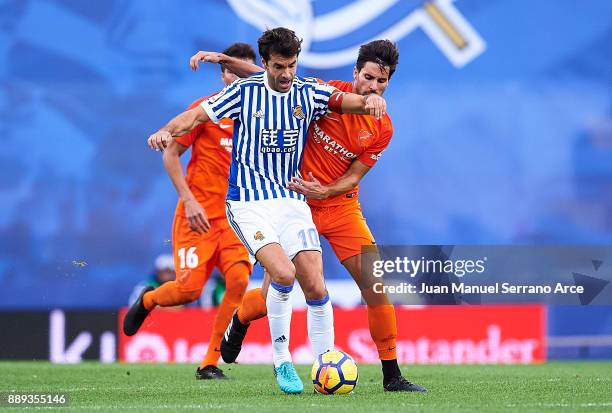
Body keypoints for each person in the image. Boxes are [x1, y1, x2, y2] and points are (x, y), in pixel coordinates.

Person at [145, 27, 388, 394]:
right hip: (248, 203)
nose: (287, 74)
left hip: (291, 202)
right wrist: (165, 130)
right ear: (265, 64)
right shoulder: (243, 93)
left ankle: (325, 363)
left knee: (317, 286)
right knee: (284, 274)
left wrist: (372, 101)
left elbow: (349, 102)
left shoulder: (308, 93)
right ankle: (283, 361)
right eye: (279, 66)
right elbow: (194, 118)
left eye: (292, 65)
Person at [190, 40, 426, 392]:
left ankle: (392, 375)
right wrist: (224, 60)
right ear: (354, 73)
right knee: (280, 288)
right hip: (294, 205)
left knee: (375, 285)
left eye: (381, 81)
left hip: (342, 206)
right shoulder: (324, 94)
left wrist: (327, 191)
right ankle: (240, 319)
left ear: (389, 82)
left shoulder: (382, 128)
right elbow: (262, 76)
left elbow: (354, 177)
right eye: (368, 77)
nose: (373, 86)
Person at [123, 43, 257, 381]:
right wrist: (189, 199)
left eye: (245, 69)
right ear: (224, 74)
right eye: (233, 70)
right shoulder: (206, 109)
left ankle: (209, 363)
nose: (239, 75)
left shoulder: (262, 114)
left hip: (236, 220)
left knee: (239, 281)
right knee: (189, 290)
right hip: (197, 216)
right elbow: (170, 155)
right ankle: (149, 300)